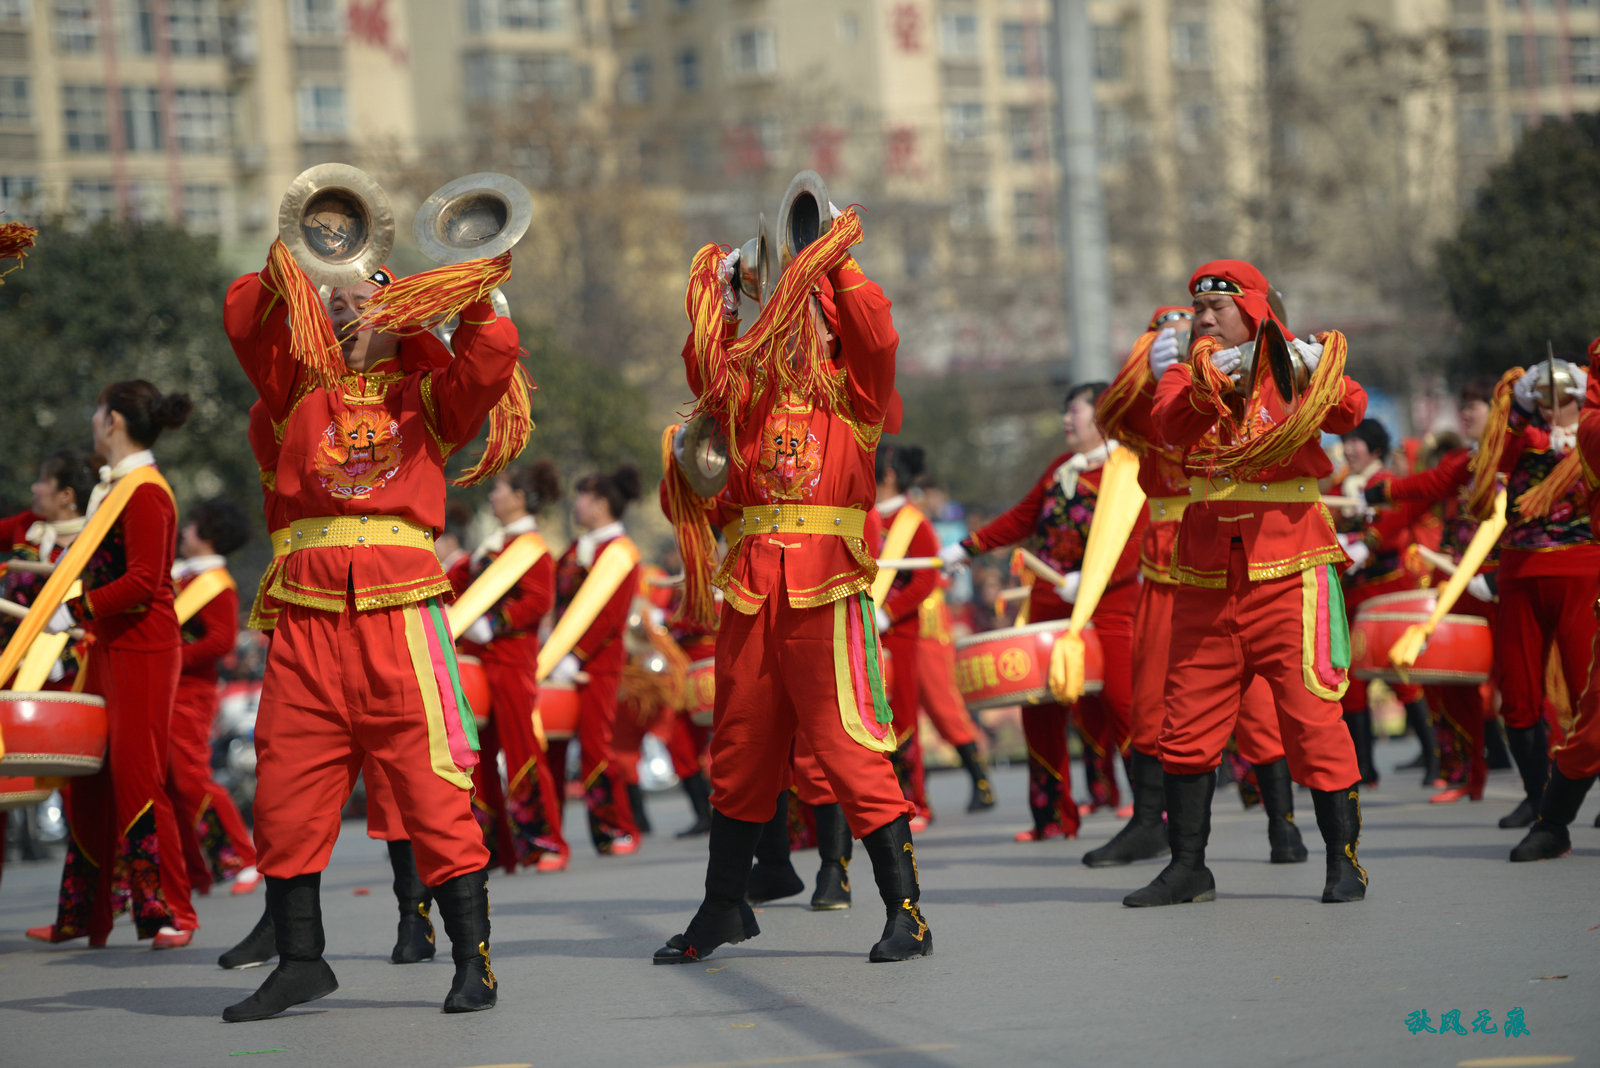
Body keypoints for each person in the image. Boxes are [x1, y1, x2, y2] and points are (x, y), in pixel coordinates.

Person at [219, 246, 524, 1020]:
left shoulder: (430, 396)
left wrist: (467, 293)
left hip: (400, 616)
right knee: (284, 787)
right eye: (340, 302)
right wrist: (292, 243)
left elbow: (491, 358)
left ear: (400, 318)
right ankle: (299, 959)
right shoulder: (296, 388)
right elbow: (248, 319)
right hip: (307, 618)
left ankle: (472, 961)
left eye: (367, 302)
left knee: (433, 786)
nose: (349, 311)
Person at [656, 204, 930, 966]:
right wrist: (725, 290)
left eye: (800, 302)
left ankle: (906, 909)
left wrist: (833, 258)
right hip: (750, 585)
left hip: (823, 585)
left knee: (849, 747)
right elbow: (705, 368)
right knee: (740, 751)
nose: (791, 317)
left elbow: (876, 329)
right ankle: (722, 908)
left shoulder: (856, 391)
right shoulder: (749, 395)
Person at [1130, 259, 1369, 907]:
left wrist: (1312, 364)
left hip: (1290, 567)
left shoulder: (1286, 366)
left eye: (1219, 308)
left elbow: (1350, 411)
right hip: (1206, 574)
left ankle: (1342, 861)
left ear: (1256, 311)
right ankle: (1189, 866)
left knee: (1313, 717)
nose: (1204, 319)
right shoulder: (1182, 376)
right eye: (1198, 310)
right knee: (1186, 723)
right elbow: (1170, 426)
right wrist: (1210, 380)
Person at [1088, 307, 1308, 868]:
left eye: (1210, 316)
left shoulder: (1227, 381)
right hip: (1168, 558)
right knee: (1150, 702)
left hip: (1225, 540)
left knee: (1258, 702)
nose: (1200, 327)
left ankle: (1284, 825)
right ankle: (1149, 825)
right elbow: (1124, 420)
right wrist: (1148, 373)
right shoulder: (1159, 384)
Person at [25, 382, 199, 947]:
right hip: (109, 644)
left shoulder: (145, 491)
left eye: (99, 411)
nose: (94, 420)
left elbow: (144, 582)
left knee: (140, 779)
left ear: (114, 422)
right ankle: (85, 915)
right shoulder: (119, 486)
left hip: (143, 648)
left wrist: (75, 609)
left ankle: (172, 913)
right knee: (91, 782)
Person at [942, 383, 1140, 843]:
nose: (1067, 421)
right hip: (1050, 602)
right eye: (1067, 413)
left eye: (1075, 412)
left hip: (1109, 604)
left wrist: (1092, 581)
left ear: (1104, 417)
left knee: (1122, 702)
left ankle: (1152, 812)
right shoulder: (1059, 470)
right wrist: (968, 547)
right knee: (1040, 706)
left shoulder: (1130, 469)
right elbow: (1021, 518)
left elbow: (1137, 541)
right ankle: (1052, 817)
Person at [1364, 380, 1499, 804]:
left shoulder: (1517, 459)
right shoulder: (1464, 460)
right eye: (1463, 407)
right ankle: (1464, 774)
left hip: (1502, 581)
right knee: (1448, 680)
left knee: (1525, 685)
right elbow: (1426, 485)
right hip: (1456, 583)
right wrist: (1385, 491)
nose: (1466, 415)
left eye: (1474, 406)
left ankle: (1557, 783)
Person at [448, 461, 567, 870]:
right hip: (479, 660)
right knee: (477, 752)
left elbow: (538, 600)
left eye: (499, 489)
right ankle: (494, 846)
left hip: (512, 659)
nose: (492, 496)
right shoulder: (491, 544)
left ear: (519, 498)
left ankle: (544, 842)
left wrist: (494, 624)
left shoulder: (531, 547)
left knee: (521, 747)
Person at [873, 443, 996, 823]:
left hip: (914, 629)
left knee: (930, 710)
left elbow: (925, 579)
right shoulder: (864, 516)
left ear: (888, 474)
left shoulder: (913, 521)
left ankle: (932, 796)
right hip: (876, 630)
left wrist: (889, 611)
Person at [1511, 336, 1600, 860]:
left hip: (1578, 569)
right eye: (1544, 397)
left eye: (1560, 396)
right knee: (1592, 723)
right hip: (1530, 570)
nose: (1553, 405)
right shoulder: (1587, 429)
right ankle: (1551, 817)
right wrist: (1514, 405)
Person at [546, 465, 644, 856]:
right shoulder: (576, 548)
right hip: (557, 660)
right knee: (551, 745)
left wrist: (576, 655)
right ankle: (548, 835)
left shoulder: (619, 553)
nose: (577, 504)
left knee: (594, 744)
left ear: (601, 504)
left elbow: (610, 617)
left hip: (596, 662)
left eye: (583, 497)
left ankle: (616, 827)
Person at [165, 497, 260, 897]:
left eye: (191, 525)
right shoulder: (182, 574)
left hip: (189, 691)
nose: (184, 532)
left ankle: (243, 857)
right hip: (169, 688)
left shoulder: (216, 584)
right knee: (169, 783)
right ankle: (194, 870)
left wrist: (168, 659)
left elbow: (220, 641)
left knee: (190, 778)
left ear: (208, 535)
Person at [1335, 419, 1435, 787]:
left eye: (1356, 442)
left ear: (1375, 449)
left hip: (1387, 593)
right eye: (1346, 442)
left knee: (1399, 673)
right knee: (1353, 680)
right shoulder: (1339, 486)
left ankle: (1435, 759)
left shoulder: (1386, 485)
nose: (1348, 449)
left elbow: (1397, 524)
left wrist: (1367, 541)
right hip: (1352, 594)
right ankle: (1363, 768)